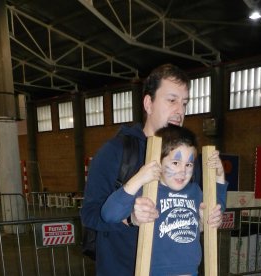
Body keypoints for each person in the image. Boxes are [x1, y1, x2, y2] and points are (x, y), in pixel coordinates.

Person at [80, 63, 224, 276]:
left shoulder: (186, 157)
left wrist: (211, 215)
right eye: (172, 100)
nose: (180, 111)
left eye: (184, 103)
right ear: (148, 103)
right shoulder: (116, 151)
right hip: (121, 270)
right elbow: (90, 214)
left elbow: (201, 208)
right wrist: (130, 219)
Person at [101, 125, 228, 276]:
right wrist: (139, 178)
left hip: (191, 272)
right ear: (159, 162)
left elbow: (216, 208)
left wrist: (219, 177)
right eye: (175, 163)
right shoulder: (148, 190)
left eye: (189, 164)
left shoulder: (194, 191)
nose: (183, 171)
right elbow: (108, 214)